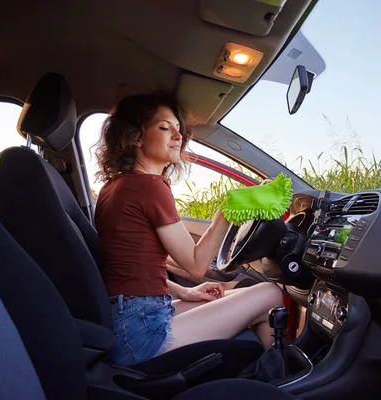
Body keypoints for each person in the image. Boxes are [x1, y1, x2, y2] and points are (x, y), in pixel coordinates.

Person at [93, 91, 284, 366]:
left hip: (127, 320)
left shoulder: (114, 187)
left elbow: (130, 269)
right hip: (141, 332)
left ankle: (269, 382)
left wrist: (184, 292)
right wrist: (227, 212)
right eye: (164, 127)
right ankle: (284, 387)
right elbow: (195, 265)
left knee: (245, 292)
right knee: (271, 295)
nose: (177, 135)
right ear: (136, 137)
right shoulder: (149, 187)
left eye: (178, 129)